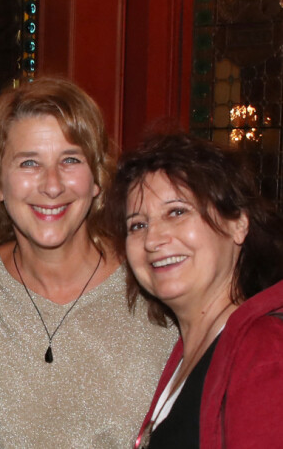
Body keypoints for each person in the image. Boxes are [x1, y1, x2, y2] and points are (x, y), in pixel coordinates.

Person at [0, 77, 177, 448]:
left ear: (96, 179)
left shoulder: (152, 280)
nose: (53, 185)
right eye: (29, 162)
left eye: (70, 160)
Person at [108, 131, 283, 448]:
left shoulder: (265, 351)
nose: (152, 240)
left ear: (238, 224)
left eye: (176, 212)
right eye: (137, 224)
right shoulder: (186, 356)